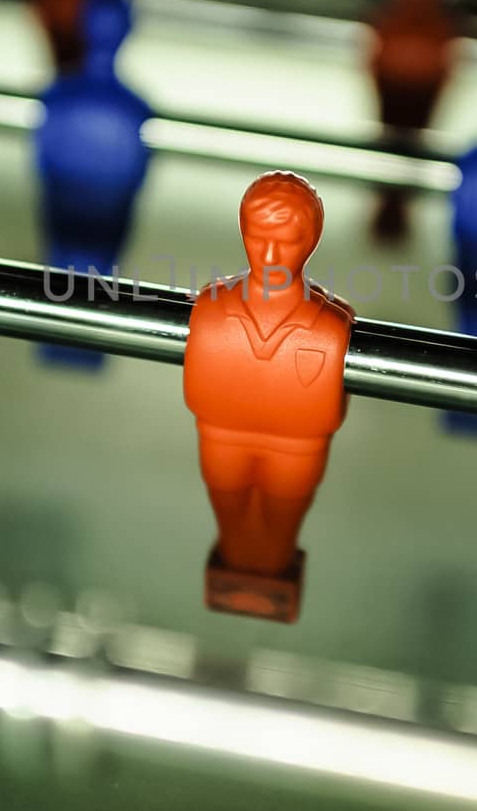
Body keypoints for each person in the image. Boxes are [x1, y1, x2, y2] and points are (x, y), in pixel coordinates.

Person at [183, 172, 353, 622]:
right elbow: (198, 388)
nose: (272, 255)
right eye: (259, 238)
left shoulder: (330, 326)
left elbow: (330, 407)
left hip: (297, 446)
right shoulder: (211, 307)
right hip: (221, 434)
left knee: (280, 528)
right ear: (243, 234)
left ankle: (270, 579)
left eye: (288, 240)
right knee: (230, 516)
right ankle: (236, 576)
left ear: (312, 241)